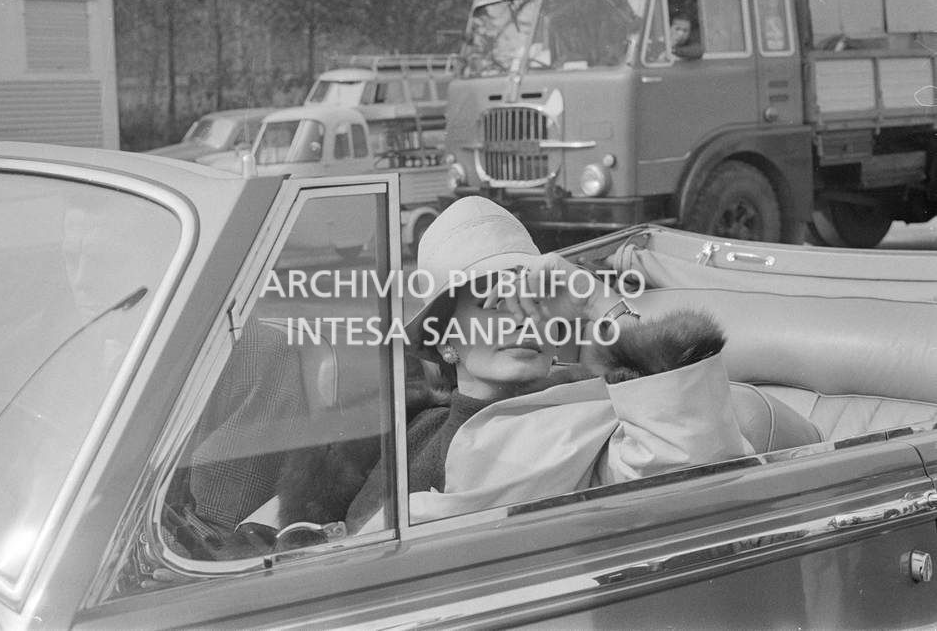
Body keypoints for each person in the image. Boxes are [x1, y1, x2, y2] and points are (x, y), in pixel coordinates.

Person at [277, 196, 753, 533]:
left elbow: (693, 459)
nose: (520, 318)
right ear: (446, 343)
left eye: (536, 299)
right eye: (491, 302)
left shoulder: (589, 427)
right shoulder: (405, 431)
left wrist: (597, 303)